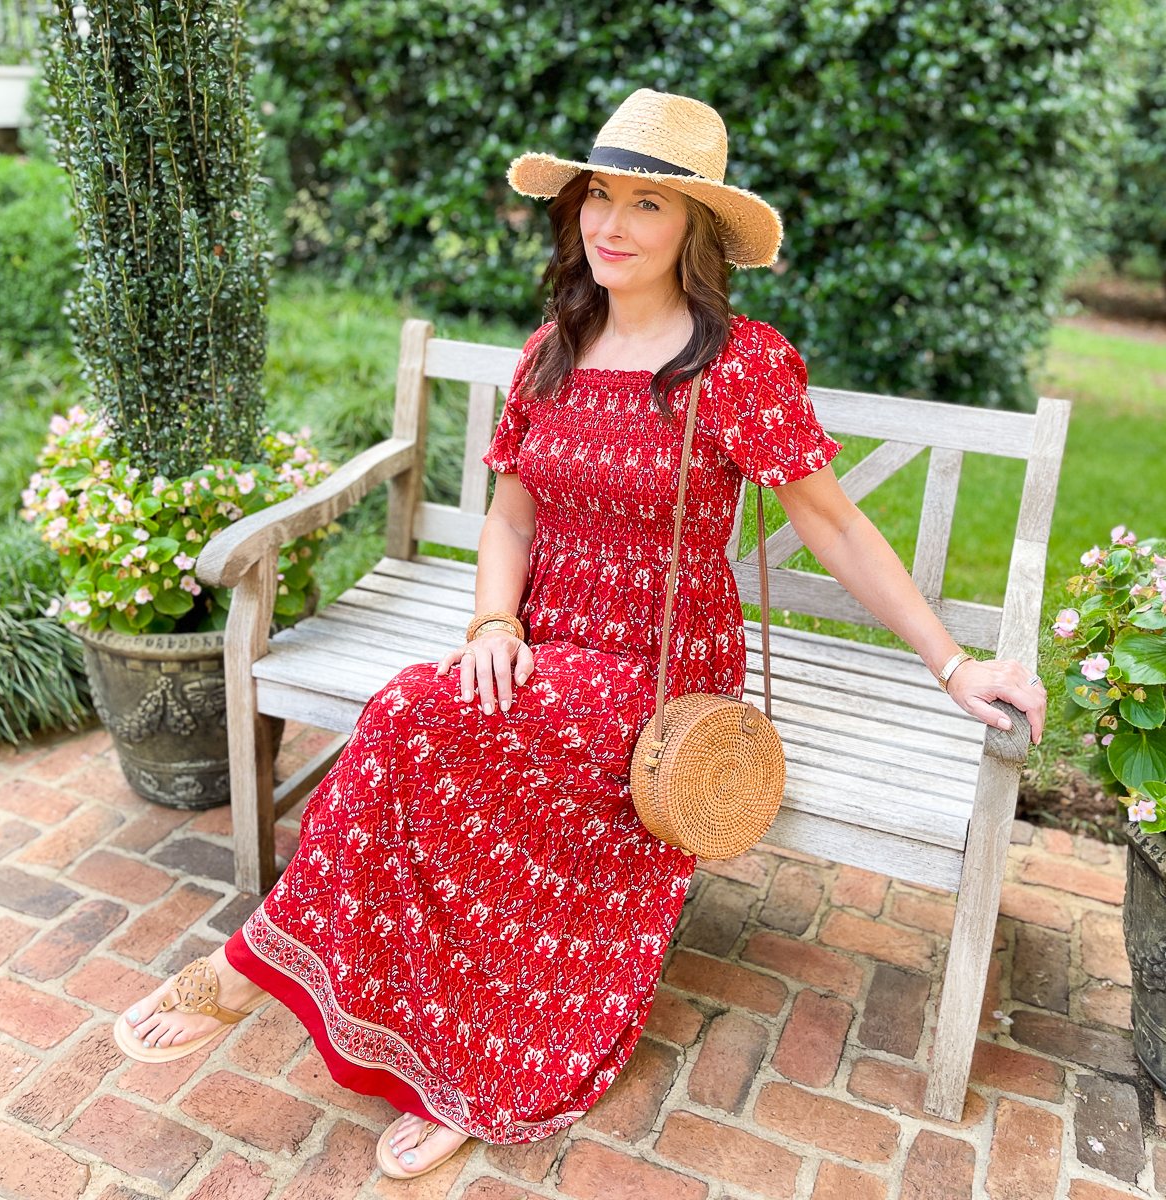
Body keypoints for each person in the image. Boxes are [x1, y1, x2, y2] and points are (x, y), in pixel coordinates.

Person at [113, 89, 1047, 1180]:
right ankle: (403, 1022)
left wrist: (951, 662)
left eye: (647, 205)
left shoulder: (739, 365)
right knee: (432, 728)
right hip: (542, 635)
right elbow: (511, 515)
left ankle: (271, 982)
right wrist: (492, 619)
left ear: (694, 231)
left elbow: (834, 524)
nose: (611, 225)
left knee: (413, 718)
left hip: (658, 669)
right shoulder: (553, 349)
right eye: (600, 197)